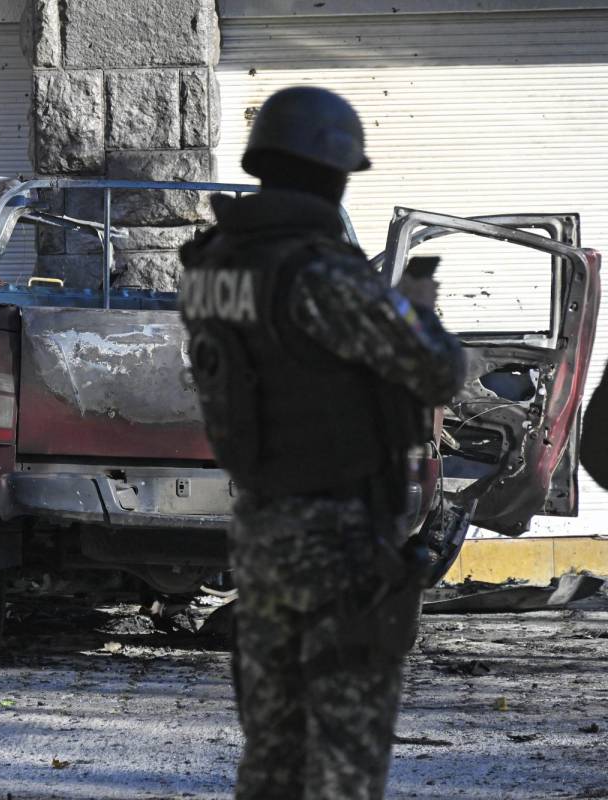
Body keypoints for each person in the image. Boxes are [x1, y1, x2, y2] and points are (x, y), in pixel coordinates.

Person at [179, 86, 466, 800]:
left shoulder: (214, 265)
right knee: (342, 756)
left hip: (261, 526)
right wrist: (413, 305)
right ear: (333, 173)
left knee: (273, 752)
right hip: (339, 537)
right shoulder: (319, 271)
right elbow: (438, 368)